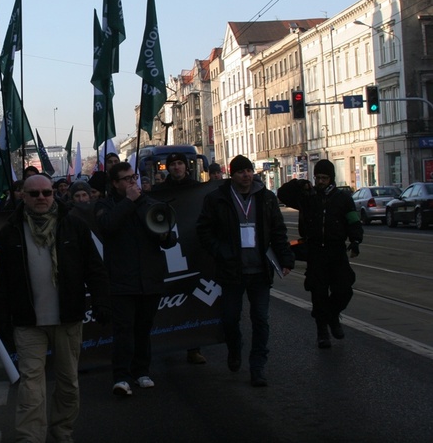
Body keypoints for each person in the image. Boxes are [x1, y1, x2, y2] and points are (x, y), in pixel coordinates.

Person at [0, 174, 110, 443]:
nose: (42, 198)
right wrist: (2, 318)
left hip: (67, 319)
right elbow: (2, 280)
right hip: (27, 322)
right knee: (31, 386)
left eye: (47, 192)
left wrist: (102, 301)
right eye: (34, 194)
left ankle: (62, 433)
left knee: (68, 383)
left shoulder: (73, 225)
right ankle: (30, 438)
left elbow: (94, 268)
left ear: (54, 194)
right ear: (23, 196)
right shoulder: (10, 231)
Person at [196, 155, 294, 387]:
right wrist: (221, 251)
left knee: (260, 319)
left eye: (249, 170)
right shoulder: (217, 198)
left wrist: (286, 258)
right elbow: (204, 230)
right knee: (230, 318)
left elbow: (278, 231)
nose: (246, 175)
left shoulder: (266, 198)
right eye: (241, 171)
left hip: (260, 270)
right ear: (232, 174)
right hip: (232, 270)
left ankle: (258, 366)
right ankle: (234, 348)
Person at [95, 162, 177, 396]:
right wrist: (129, 202)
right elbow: (107, 226)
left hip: (149, 279)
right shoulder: (105, 205)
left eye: (134, 177)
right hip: (121, 280)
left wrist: (164, 232)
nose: (132, 181)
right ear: (115, 183)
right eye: (126, 178)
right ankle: (121, 376)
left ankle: (142, 371)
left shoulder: (148, 203)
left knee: (143, 328)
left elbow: (168, 240)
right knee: (123, 330)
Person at [277, 159, 363, 348]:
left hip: (336, 250)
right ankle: (322, 331)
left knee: (344, 288)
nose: (321, 181)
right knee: (319, 293)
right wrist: (299, 183)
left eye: (324, 178)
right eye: (317, 177)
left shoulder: (343, 198)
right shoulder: (308, 197)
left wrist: (355, 241)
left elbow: (353, 220)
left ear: (331, 178)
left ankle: (333, 316)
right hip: (315, 251)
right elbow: (282, 193)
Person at [152, 153, 206, 365]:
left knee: (192, 299)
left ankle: (194, 347)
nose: (176, 167)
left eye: (179, 164)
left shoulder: (196, 188)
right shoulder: (159, 191)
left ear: (186, 166)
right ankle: (165, 341)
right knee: (167, 300)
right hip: (167, 251)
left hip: (191, 249)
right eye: (172, 164)